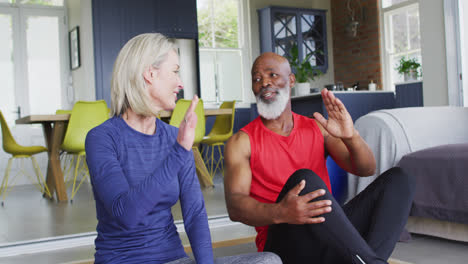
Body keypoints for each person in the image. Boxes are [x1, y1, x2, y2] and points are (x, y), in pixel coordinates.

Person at [85, 34, 281, 264]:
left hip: (175, 259)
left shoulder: (172, 137)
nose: (181, 83)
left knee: (268, 261)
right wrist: (179, 151)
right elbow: (125, 214)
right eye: (175, 71)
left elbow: (194, 213)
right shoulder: (102, 138)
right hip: (125, 260)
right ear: (150, 74)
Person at [224, 52, 416, 264]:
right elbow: (235, 205)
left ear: (291, 80)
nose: (265, 83)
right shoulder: (241, 141)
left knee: (400, 179)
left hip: (327, 231)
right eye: (257, 79)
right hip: (284, 242)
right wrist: (282, 212)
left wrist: (351, 136)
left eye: (272, 75)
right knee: (305, 181)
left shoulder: (316, 127)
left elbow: (366, 169)